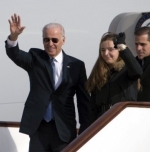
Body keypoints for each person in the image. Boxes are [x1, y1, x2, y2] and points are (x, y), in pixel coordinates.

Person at [5, 14, 90, 152]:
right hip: (39, 127)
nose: (50, 44)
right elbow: (16, 55)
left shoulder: (76, 65)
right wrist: (13, 37)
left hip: (64, 129)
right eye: (46, 40)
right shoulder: (35, 58)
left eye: (54, 40)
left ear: (63, 40)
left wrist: (86, 130)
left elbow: (83, 100)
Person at [86, 32, 143, 123]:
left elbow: (138, 72)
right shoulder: (98, 73)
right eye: (103, 50)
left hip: (125, 120)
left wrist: (123, 48)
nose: (106, 53)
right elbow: (93, 108)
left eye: (110, 49)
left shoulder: (127, 70)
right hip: (102, 122)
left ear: (119, 50)